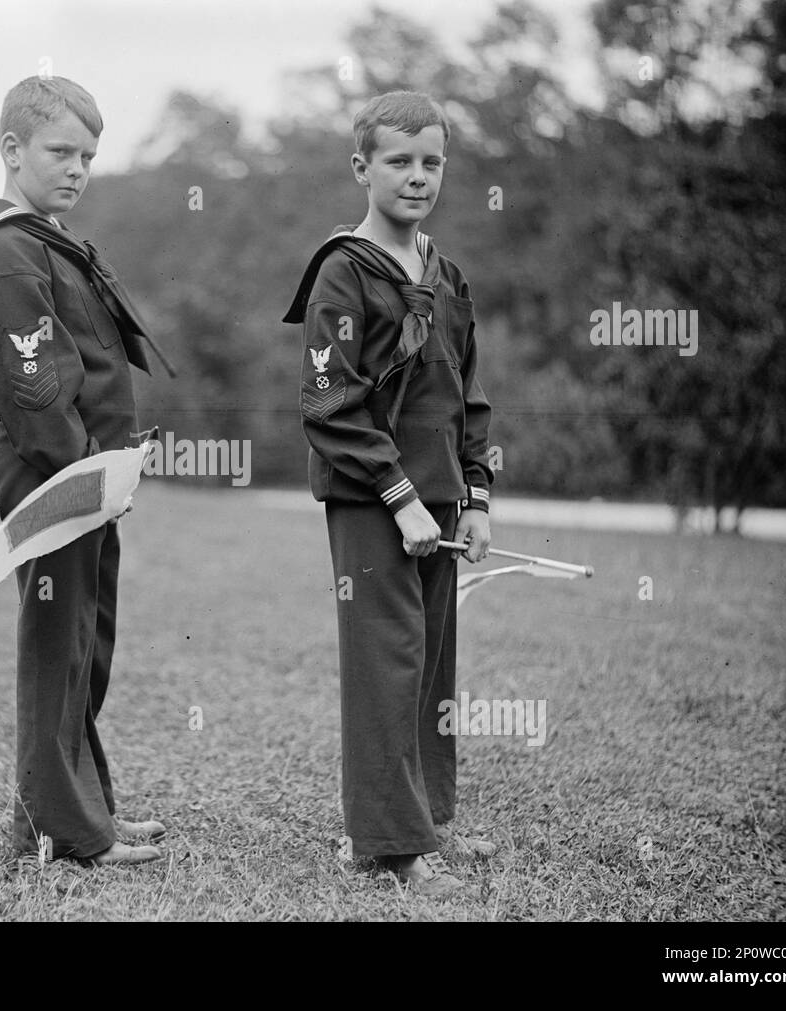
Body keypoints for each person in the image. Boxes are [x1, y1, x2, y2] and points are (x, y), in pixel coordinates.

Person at [0, 76, 171, 866]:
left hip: (90, 477)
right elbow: (34, 389)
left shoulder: (43, 236)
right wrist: (91, 478)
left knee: (84, 644)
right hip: (57, 477)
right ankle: (60, 829)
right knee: (57, 647)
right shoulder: (8, 252)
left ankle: (87, 809)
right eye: (61, 152)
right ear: (12, 151)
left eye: (89, 155)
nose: (78, 168)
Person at [282, 91, 497, 895]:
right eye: (399, 161)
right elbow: (327, 403)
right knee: (387, 661)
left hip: (438, 494)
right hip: (374, 498)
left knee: (432, 661)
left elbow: (469, 392)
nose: (417, 177)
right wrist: (400, 496)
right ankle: (390, 845)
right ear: (361, 167)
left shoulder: (445, 272)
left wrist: (475, 495)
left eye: (431, 162)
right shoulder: (343, 271)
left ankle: (426, 819)